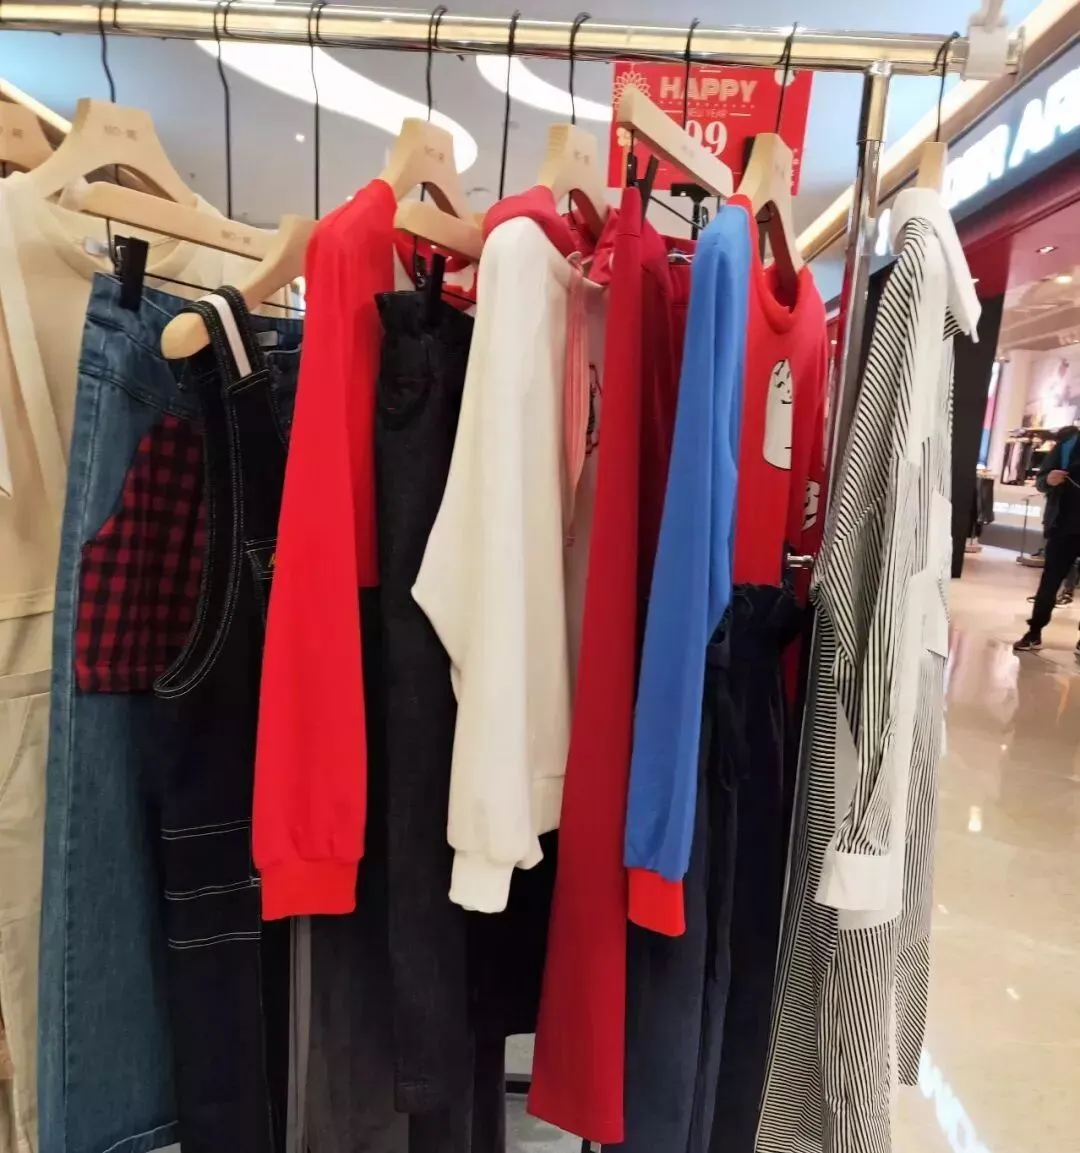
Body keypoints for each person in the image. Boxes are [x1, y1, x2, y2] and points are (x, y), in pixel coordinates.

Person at [1014, 424, 1080, 654]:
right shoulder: (1068, 444)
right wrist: (1049, 480)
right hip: (1063, 526)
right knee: (1049, 582)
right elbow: (1041, 480)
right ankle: (1034, 632)